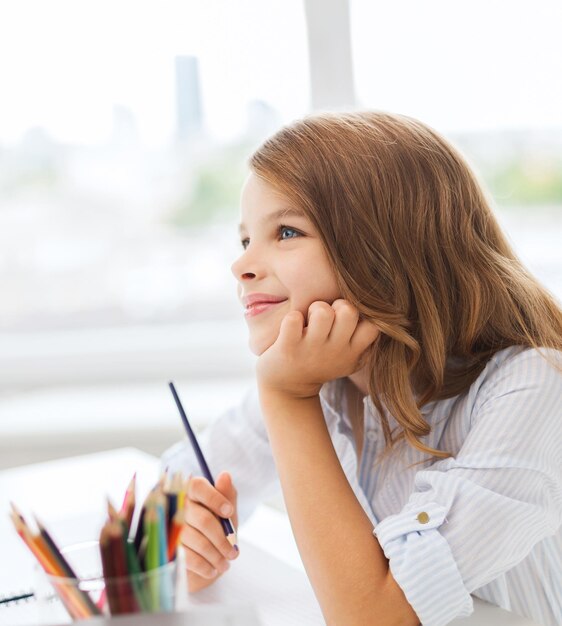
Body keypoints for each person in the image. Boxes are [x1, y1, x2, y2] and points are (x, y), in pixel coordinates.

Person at [162, 111, 562, 626]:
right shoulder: (321, 375)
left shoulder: (534, 385)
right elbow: (174, 485)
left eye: (285, 231)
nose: (241, 266)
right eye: (244, 240)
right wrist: (184, 522)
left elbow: (375, 617)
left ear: (386, 250)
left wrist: (288, 399)